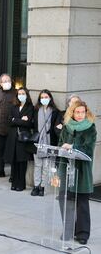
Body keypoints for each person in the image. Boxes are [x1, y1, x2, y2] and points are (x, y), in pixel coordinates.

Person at [58, 101, 97, 245]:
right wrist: (62, 149)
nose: (80, 115)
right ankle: (68, 230)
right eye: (77, 112)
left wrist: (73, 146)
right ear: (72, 113)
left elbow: (88, 149)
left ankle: (82, 234)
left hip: (82, 171)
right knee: (65, 200)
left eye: (83, 112)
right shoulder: (66, 127)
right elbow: (59, 145)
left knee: (82, 203)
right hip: (65, 169)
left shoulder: (90, 128)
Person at [31, 89, 60, 196]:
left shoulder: (55, 111)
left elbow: (56, 127)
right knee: (38, 165)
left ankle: (43, 186)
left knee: (46, 166)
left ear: (50, 98)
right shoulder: (36, 110)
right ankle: (36, 186)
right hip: (38, 141)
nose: (44, 99)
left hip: (49, 141)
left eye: (46, 97)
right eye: (42, 97)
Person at [4, 87, 34, 191]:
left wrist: (15, 120)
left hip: (23, 137)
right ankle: (14, 182)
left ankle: (21, 184)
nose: (21, 95)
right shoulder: (14, 106)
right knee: (14, 161)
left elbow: (28, 123)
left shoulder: (30, 107)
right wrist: (20, 119)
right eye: (19, 93)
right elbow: (9, 121)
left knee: (22, 161)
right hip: (13, 137)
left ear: (26, 95)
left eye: (23, 93)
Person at [0, 74, 17, 178]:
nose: (6, 83)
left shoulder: (16, 93)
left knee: (12, 151)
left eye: (8, 80)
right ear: (0, 83)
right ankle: (0, 170)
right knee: (0, 150)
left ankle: (13, 175)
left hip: (11, 127)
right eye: (4, 81)